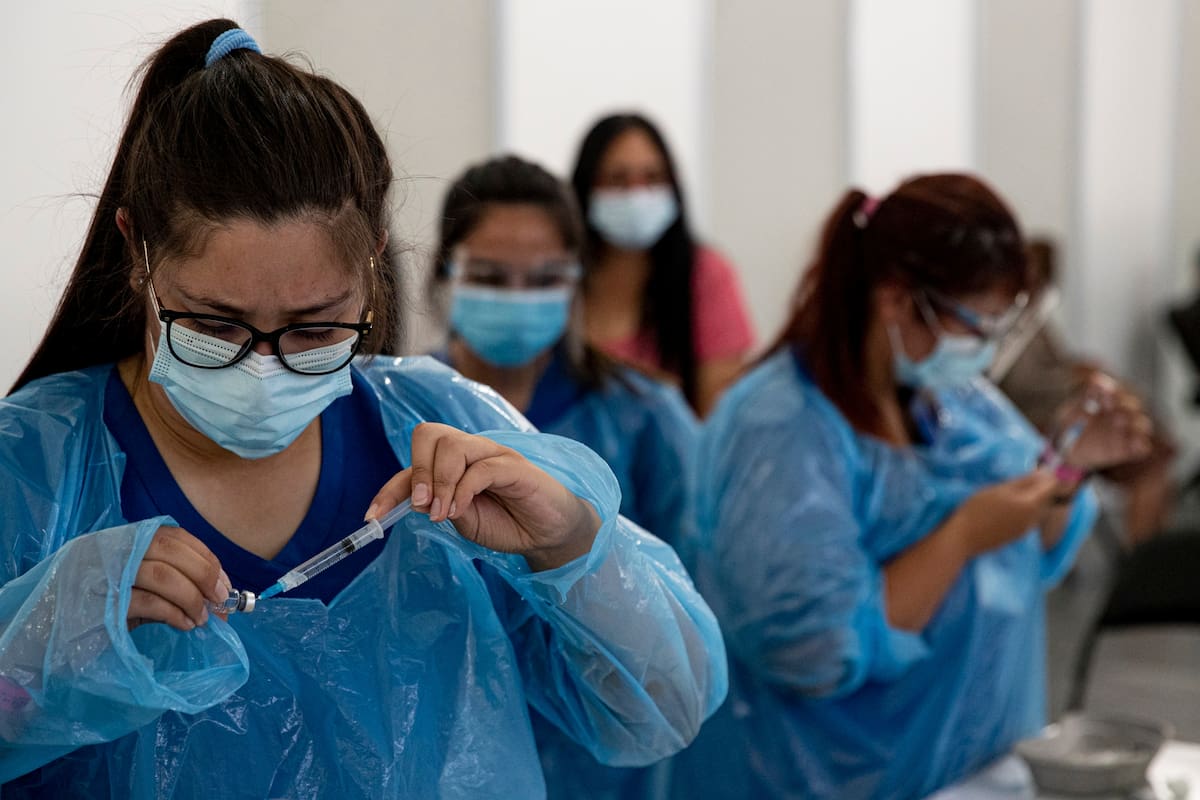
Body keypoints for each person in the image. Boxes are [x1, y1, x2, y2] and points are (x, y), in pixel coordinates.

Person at [0, 21, 726, 799]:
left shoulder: (433, 424)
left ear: (376, 260)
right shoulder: (36, 470)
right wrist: (38, 647)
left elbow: (659, 710)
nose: (264, 366)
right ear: (134, 248)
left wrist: (573, 548)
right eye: (214, 327)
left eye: (315, 329)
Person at [668, 175, 1153, 799]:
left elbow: (1029, 552)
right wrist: (960, 538)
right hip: (819, 776)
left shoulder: (956, 404)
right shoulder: (779, 431)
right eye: (976, 325)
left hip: (973, 768)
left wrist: (1066, 468)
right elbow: (811, 649)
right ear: (898, 301)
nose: (985, 349)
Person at [431, 154, 699, 799]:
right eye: (492, 277)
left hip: (604, 768)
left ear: (578, 282)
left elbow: (680, 616)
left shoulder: (644, 420)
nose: (519, 297)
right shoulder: (404, 418)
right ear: (444, 275)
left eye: (544, 277)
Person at [570, 113, 755, 417]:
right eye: (618, 179)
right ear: (586, 187)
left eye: (652, 178)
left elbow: (718, 417)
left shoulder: (706, 274)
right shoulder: (558, 278)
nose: (637, 194)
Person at [995, 238, 1176, 546]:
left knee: (1150, 444)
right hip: (1043, 419)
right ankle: (1142, 555)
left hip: (1065, 413)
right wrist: (1075, 383)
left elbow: (1058, 362)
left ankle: (1153, 554)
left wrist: (1085, 371)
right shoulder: (1003, 327)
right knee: (1143, 456)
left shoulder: (1034, 320)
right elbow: (1021, 387)